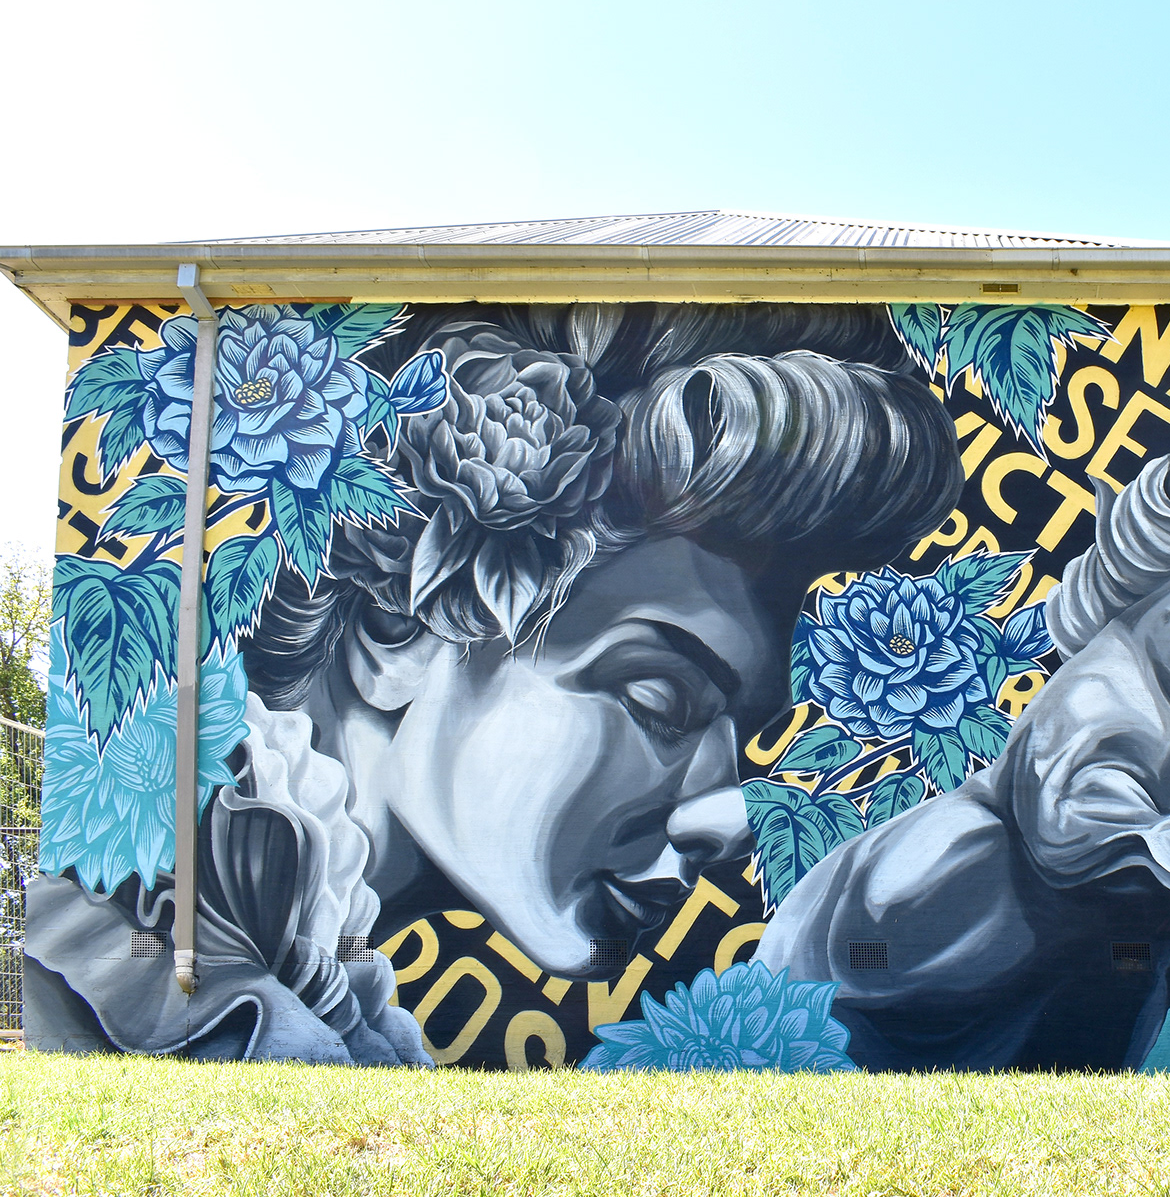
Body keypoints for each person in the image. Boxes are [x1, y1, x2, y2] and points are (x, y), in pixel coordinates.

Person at [28, 302, 963, 1062]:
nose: (724, 820)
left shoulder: (318, 989)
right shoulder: (124, 978)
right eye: (661, 701)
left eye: (742, 736)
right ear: (398, 633)